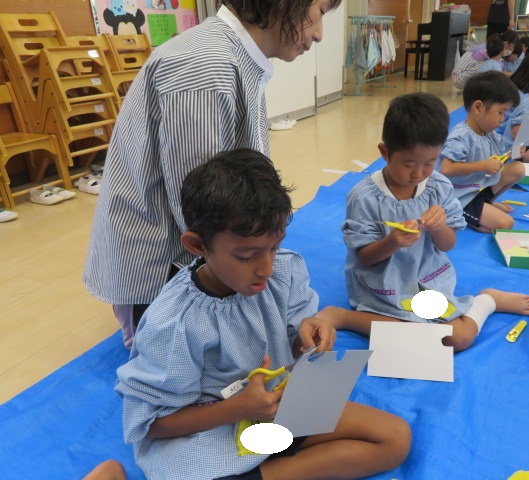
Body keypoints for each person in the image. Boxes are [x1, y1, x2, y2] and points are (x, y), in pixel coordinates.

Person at [115, 149, 411, 480]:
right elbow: (152, 424)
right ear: (197, 245)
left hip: (276, 407)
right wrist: (237, 408)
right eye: (246, 256)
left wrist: (309, 336)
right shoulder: (173, 323)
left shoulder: (284, 271)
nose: (266, 268)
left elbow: (296, 341)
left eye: (274, 247)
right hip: (210, 433)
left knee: (394, 438)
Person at [83, 0, 342, 349]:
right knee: (218, 366)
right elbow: (203, 210)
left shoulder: (232, 57)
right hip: (163, 268)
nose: (319, 33)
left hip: (207, 251)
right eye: (321, 11)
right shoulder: (205, 66)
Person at [335, 93, 529, 353]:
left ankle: (487, 300)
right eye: (408, 164)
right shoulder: (365, 197)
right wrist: (392, 242)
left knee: (454, 338)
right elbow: (364, 258)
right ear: (385, 152)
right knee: (445, 337)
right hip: (382, 283)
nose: (418, 174)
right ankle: (347, 317)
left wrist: (439, 226)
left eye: (430, 163)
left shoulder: (438, 186)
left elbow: (447, 244)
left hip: (426, 278)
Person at [438, 72, 524, 233]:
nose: (502, 119)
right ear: (478, 107)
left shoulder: (490, 135)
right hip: (460, 195)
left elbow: (495, 163)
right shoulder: (461, 136)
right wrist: (483, 166)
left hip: (477, 189)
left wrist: (509, 155)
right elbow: (446, 169)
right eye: (500, 112)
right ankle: (462, 212)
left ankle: (486, 204)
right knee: (506, 224)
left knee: (518, 168)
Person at [452, 30, 518, 90]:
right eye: (512, 46)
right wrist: (515, 75)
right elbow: (498, 72)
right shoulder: (490, 50)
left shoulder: (489, 45)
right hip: (460, 79)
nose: (512, 49)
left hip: (458, 76)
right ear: (506, 43)